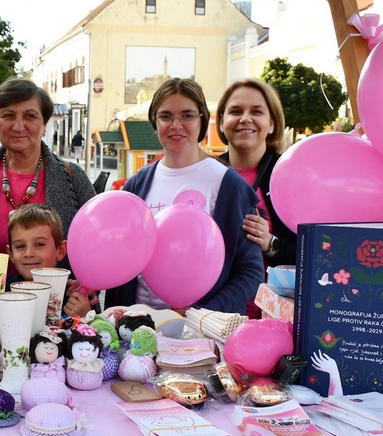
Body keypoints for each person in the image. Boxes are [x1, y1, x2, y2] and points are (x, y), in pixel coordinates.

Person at [105, 78, 264, 315]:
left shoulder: (230, 186)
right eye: (166, 116)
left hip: (200, 332)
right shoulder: (136, 184)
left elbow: (251, 273)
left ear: (202, 120)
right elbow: (118, 254)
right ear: (155, 122)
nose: (176, 125)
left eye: (187, 115)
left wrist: (200, 314)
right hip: (136, 325)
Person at [0, 78, 95, 253]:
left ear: (44, 125)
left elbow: (97, 240)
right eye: (8, 115)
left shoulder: (73, 177)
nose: (18, 126)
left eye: (30, 116)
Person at [215, 78, 296, 269]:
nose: (245, 118)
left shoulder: (291, 175)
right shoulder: (206, 172)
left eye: (256, 112)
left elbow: (315, 255)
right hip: (218, 289)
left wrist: (271, 243)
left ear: (271, 124)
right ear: (222, 122)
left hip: (273, 288)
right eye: (236, 111)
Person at [5, 204, 96, 317]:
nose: (28, 253)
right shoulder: (1, 291)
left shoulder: (76, 297)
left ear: (60, 251)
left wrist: (85, 316)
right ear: (11, 254)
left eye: (39, 244)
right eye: (20, 246)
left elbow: (100, 326)